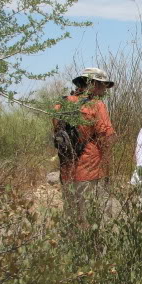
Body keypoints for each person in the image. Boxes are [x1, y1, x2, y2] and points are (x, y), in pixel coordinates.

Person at [53, 67, 115, 222]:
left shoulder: (61, 104)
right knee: (94, 220)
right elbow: (106, 138)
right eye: (102, 85)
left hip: (66, 171)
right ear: (92, 84)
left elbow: (57, 134)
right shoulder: (97, 105)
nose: (103, 90)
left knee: (72, 218)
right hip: (90, 171)